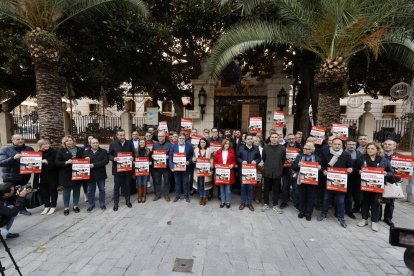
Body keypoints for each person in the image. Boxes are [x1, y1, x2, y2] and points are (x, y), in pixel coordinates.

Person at [357, 142, 393, 232]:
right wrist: (359, 172)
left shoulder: (384, 160)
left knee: (376, 203)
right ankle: (364, 219)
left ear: (377, 150)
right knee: (364, 202)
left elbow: (391, 172)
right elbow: (355, 168)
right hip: (365, 185)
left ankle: (374, 222)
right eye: (368, 148)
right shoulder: (362, 158)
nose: (370, 150)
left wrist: (386, 173)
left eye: (372, 149)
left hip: (377, 186)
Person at [317, 138, 353, 228]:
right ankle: (323, 214)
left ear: (342, 145)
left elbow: (351, 167)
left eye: (339, 144)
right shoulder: (326, 154)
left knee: (340, 201)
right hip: (328, 182)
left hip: (341, 183)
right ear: (331, 144)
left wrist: (350, 169)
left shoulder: (346, 155)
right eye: (335, 144)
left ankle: (341, 218)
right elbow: (322, 166)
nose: (337, 146)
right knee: (326, 199)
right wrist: (323, 170)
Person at [0, 134, 34, 216]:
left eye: (22, 139)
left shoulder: (29, 149)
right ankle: (7, 211)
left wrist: (35, 164)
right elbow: (1, 163)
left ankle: (22, 209)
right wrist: (13, 158)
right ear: (12, 140)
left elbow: (34, 161)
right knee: (8, 194)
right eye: (18, 139)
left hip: (24, 176)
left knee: (22, 192)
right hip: (10, 177)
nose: (20, 140)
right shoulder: (5, 150)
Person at [292, 142, 321, 221]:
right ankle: (302, 211)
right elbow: (293, 168)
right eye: (304, 148)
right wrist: (298, 165)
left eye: (306, 149)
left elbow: (321, 170)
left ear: (311, 150)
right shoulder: (299, 156)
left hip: (312, 182)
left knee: (310, 198)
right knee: (302, 196)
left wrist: (319, 168)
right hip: (302, 180)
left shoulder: (317, 158)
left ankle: (308, 213)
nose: (304, 150)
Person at [56, 136, 84, 216]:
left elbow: (84, 158)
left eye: (71, 140)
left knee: (77, 190)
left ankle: (75, 206)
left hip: (78, 172)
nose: (69, 142)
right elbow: (57, 162)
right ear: (64, 143)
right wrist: (66, 162)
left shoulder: (80, 149)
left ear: (73, 141)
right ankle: (66, 208)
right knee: (66, 191)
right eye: (67, 141)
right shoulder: (61, 151)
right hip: (66, 174)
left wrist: (87, 158)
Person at [108, 130, 135, 211]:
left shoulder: (129, 143)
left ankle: (128, 201)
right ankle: (116, 203)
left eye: (123, 135)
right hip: (117, 169)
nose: (122, 137)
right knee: (117, 187)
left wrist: (132, 157)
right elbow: (109, 154)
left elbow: (133, 153)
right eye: (120, 135)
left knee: (127, 185)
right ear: (117, 135)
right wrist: (113, 158)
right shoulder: (113, 144)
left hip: (127, 169)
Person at [261, 133, 286, 213]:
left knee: (276, 190)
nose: (274, 139)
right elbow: (264, 158)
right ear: (270, 138)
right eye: (272, 137)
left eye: (276, 137)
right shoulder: (265, 147)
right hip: (267, 171)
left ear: (278, 138)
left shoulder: (282, 148)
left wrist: (278, 167)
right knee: (266, 189)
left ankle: (275, 205)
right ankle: (266, 203)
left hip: (277, 172)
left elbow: (283, 160)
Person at [33, 139, 59, 215]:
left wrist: (48, 162)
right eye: (43, 144)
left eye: (47, 144)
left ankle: (53, 206)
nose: (46, 145)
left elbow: (57, 164)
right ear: (40, 146)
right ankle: (46, 206)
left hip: (52, 175)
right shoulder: (38, 153)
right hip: (41, 176)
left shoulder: (55, 153)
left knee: (53, 191)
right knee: (44, 192)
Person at [83, 138, 109, 211]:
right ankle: (91, 204)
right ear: (90, 144)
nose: (95, 144)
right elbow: (82, 162)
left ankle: (102, 204)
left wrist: (94, 165)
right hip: (90, 175)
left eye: (97, 142)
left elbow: (105, 161)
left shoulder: (103, 151)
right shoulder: (86, 152)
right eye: (93, 143)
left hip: (101, 174)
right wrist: (85, 159)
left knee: (102, 190)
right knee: (90, 190)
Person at [237, 134, 261, 211]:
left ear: (252, 140)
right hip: (243, 171)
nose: (250, 140)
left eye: (251, 139)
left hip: (252, 171)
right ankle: (243, 203)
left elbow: (259, 158)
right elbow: (237, 157)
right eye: (248, 139)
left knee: (250, 188)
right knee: (243, 187)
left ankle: (250, 203)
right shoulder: (241, 148)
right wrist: (241, 161)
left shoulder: (256, 148)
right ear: (245, 140)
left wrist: (256, 161)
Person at [169, 133, 194, 202]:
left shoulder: (189, 146)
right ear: (178, 139)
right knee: (177, 182)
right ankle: (177, 196)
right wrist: (171, 166)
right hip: (176, 168)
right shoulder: (173, 146)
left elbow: (192, 155)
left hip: (185, 168)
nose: (181, 139)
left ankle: (186, 196)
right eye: (180, 138)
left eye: (183, 138)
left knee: (186, 182)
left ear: (185, 139)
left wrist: (189, 161)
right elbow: (170, 156)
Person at [381, 139, 400, 227]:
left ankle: (388, 218)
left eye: (389, 144)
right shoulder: (379, 155)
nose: (387, 146)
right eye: (385, 144)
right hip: (381, 180)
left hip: (393, 180)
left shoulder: (401, 157)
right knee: (378, 200)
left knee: (391, 202)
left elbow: (407, 169)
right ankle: (376, 217)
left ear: (394, 147)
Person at [280, 133, 301, 209]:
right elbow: (280, 157)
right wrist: (286, 160)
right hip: (285, 170)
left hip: (295, 170)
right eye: (289, 139)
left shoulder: (299, 147)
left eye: (292, 139)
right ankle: (284, 202)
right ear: (287, 140)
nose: (291, 140)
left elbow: (302, 157)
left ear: (295, 139)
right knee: (285, 186)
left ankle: (296, 203)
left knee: (295, 187)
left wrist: (296, 161)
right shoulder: (283, 147)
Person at [213, 139, 236, 208]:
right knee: (222, 188)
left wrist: (232, 165)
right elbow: (215, 162)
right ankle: (222, 201)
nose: (227, 145)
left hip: (229, 172)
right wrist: (216, 165)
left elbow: (234, 161)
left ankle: (228, 201)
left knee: (228, 189)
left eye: (228, 144)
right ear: (223, 144)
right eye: (225, 144)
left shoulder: (232, 151)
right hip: (220, 172)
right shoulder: (218, 151)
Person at [152, 132, 172, 201]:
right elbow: (152, 154)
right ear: (157, 137)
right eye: (159, 136)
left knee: (167, 181)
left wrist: (168, 156)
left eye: (162, 136)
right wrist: (152, 156)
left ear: (165, 137)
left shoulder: (169, 145)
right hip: (157, 167)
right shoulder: (155, 145)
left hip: (166, 167)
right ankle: (158, 194)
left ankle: (166, 194)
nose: (160, 137)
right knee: (157, 181)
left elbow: (172, 155)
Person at [193, 138, 213, 205]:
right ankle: (201, 196)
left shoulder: (209, 150)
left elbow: (212, 160)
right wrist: (194, 159)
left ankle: (204, 197)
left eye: (204, 142)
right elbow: (193, 159)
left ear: (206, 143)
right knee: (200, 183)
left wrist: (211, 170)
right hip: (198, 170)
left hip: (206, 170)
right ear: (199, 143)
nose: (202, 143)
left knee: (205, 184)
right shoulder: (196, 150)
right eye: (201, 142)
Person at [344, 139, 362, 217]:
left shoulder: (359, 154)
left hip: (356, 177)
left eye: (353, 144)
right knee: (347, 195)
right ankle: (347, 210)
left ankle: (354, 209)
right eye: (349, 144)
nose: (351, 146)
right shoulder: (342, 153)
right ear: (345, 145)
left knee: (355, 195)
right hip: (344, 177)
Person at [135, 138, 151, 203]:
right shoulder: (136, 150)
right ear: (139, 143)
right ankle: (139, 196)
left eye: (143, 142)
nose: (142, 143)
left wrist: (150, 162)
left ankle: (144, 196)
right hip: (138, 169)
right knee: (139, 182)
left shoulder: (148, 150)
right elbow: (133, 158)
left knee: (144, 182)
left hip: (145, 169)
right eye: (141, 142)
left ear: (145, 144)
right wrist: (133, 161)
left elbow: (150, 159)